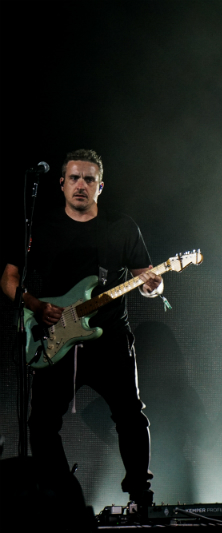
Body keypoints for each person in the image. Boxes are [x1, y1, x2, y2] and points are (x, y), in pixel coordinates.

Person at [1, 149, 163, 509]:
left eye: (89, 179)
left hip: (110, 340)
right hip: (56, 339)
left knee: (131, 417)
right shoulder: (39, 227)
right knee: (41, 425)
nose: (81, 185)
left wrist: (155, 286)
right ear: (61, 184)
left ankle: (141, 496)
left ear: (100, 187)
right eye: (74, 178)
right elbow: (9, 279)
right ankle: (64, 498)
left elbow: (148, 279)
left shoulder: (121, 227)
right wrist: (36, 306)